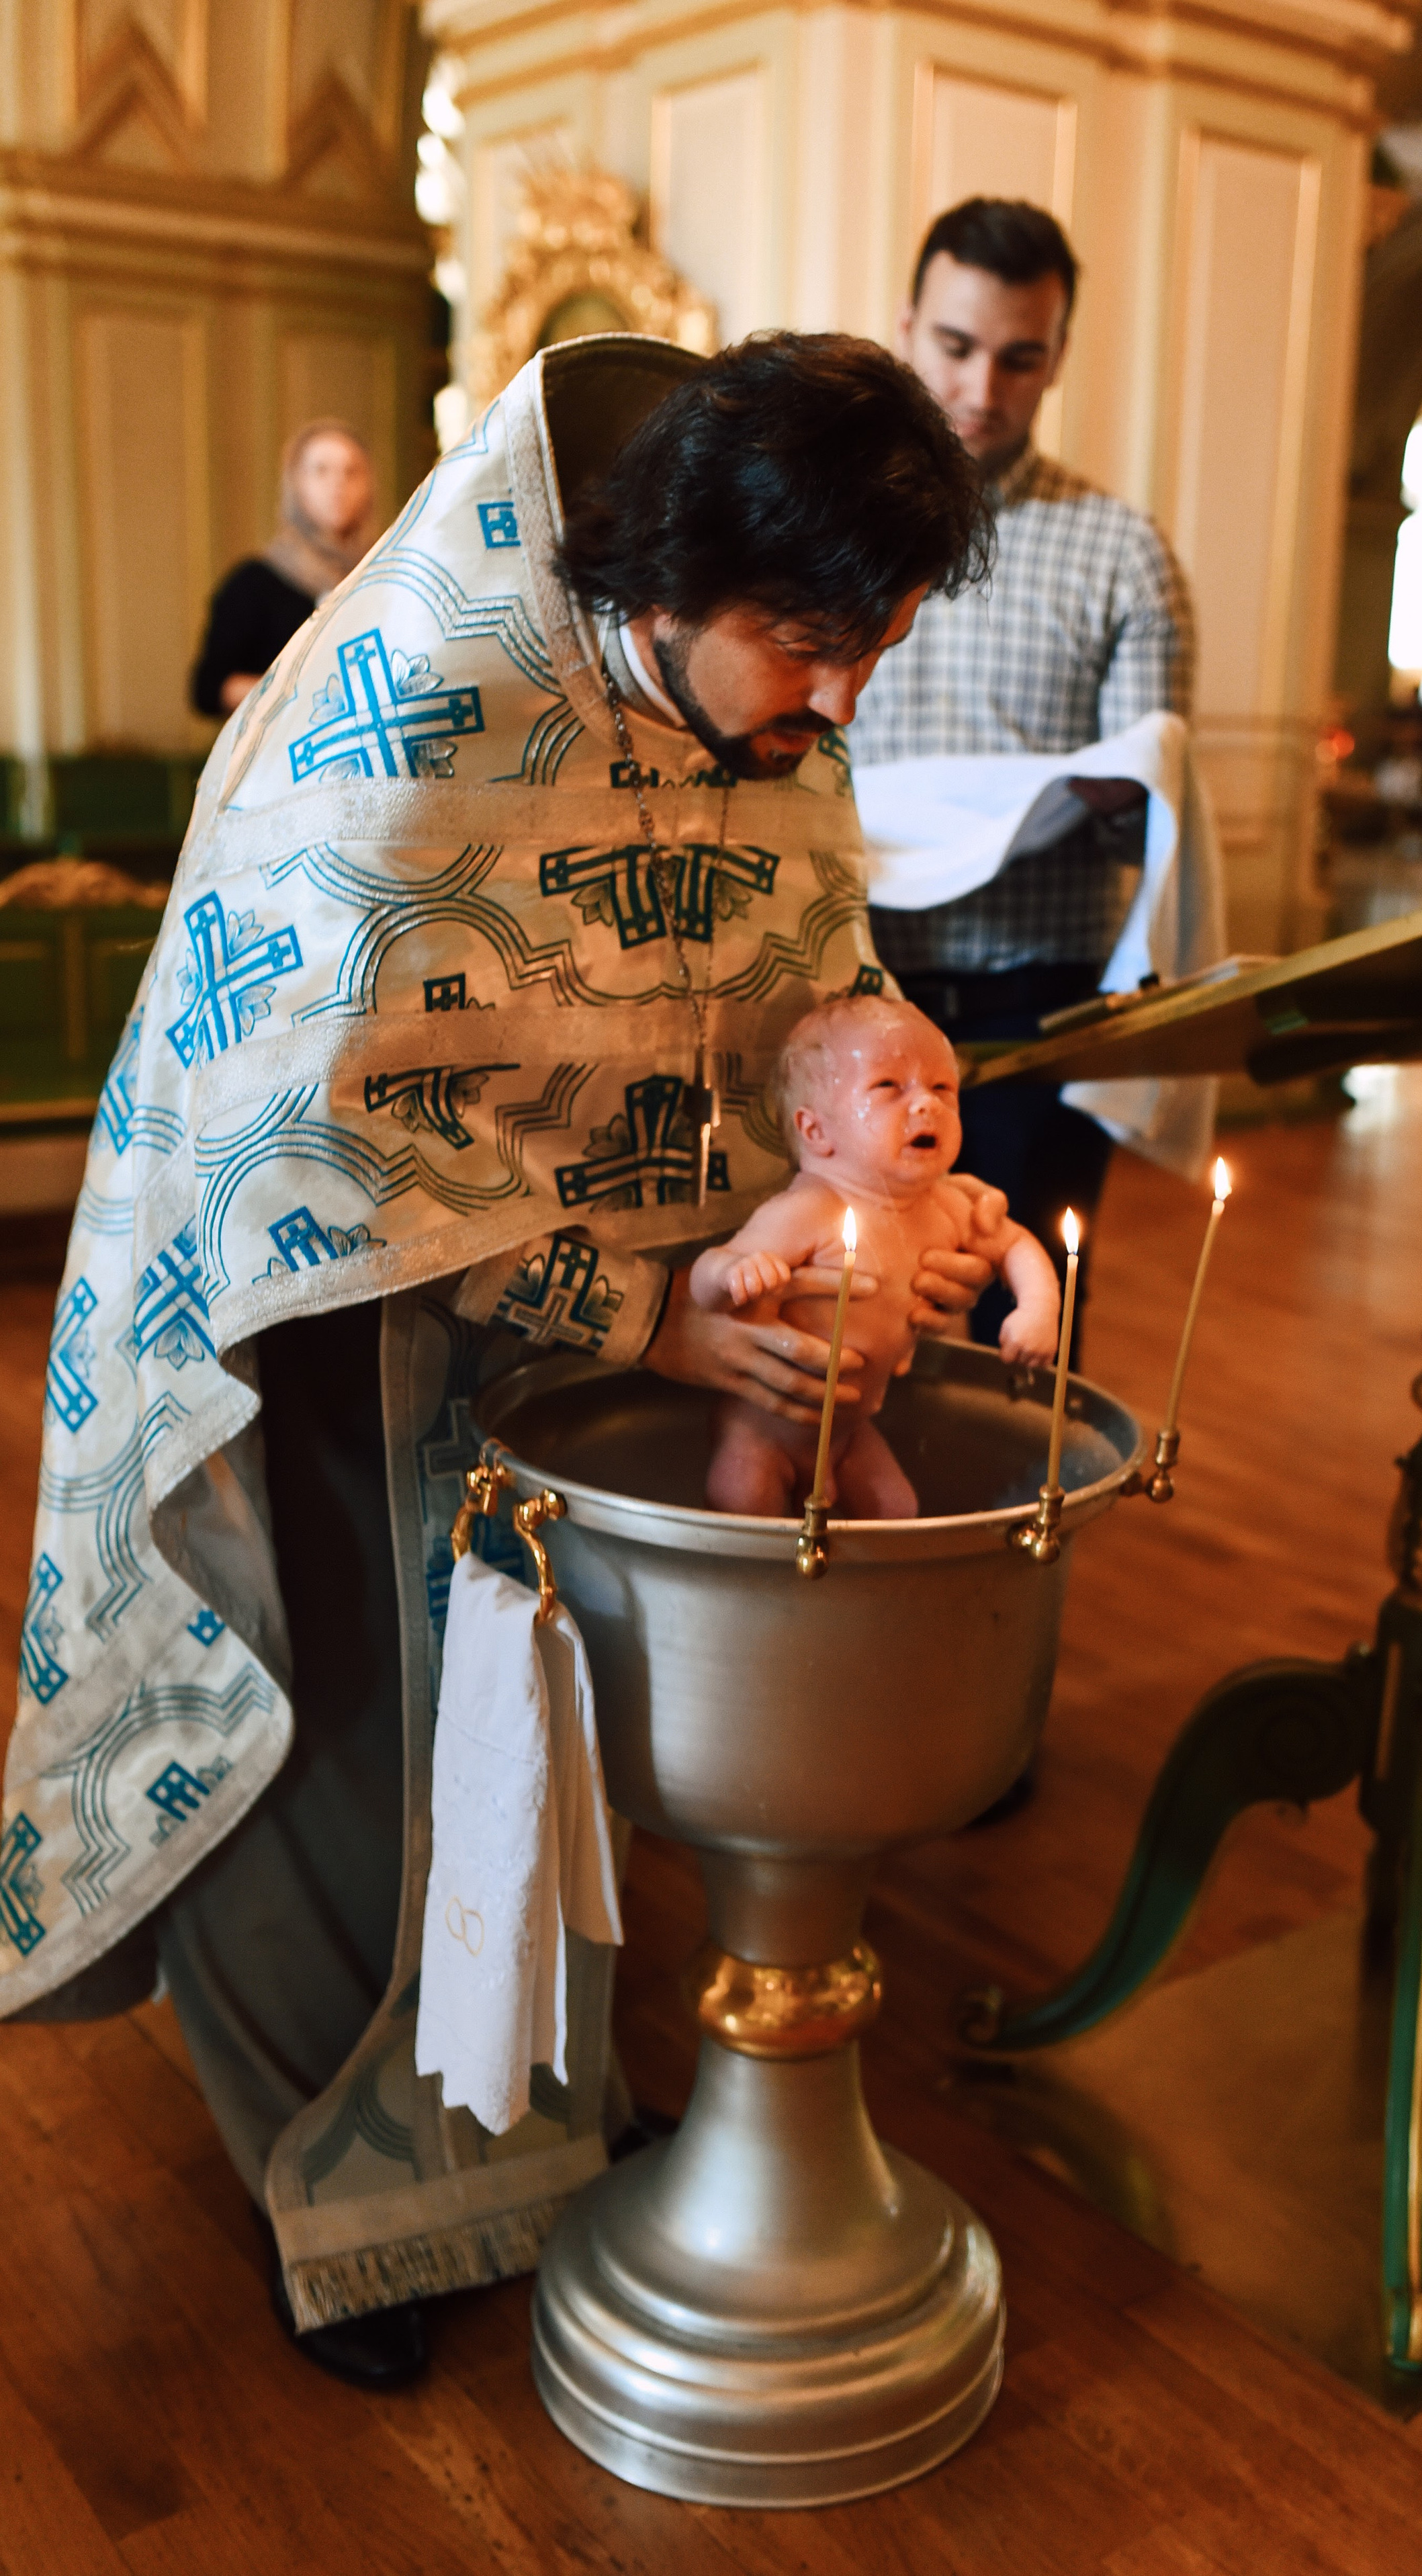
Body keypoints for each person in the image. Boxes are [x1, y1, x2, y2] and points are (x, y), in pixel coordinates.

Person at [3, 332, 991, 2389]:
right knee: (351, 1744)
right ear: (672, 580)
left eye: (869, 648)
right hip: (325, 1321)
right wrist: (655, 1316)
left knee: (541, 1725)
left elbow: (806, 975)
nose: (839, 704)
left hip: (595, 1329)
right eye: (813, 645)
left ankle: (512, 2131)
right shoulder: (416, 710)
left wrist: (877, 1193)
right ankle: (334, 2186)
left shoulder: (762, 714)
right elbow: (336, 1138)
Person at [848, 198, 1197, 1364]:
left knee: (1017, 1320)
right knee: (848, 1299)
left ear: (1057, 355)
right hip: (850, 984)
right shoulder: (829, 525)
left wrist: (1116, 806)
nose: (982, 387)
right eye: (953, 346)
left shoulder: (1121, 550)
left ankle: (1012, 1540)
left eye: (1020, 357)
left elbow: (1158, 823)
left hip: (1035, 1001)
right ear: (907, 326)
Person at [692, 995, 1060, 1516]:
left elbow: (1016, 1244)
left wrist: (1039, 1308)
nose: (926, 1104)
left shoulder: (948, 1205)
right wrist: (734, 1272)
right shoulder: (809, 1210)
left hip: (850, 1432)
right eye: (889, 1088)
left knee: (898, 1510)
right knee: (746, 1522)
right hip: (760, 1434)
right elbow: (705, 1280)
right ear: (816, 1130)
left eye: (942, 1089)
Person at [189, 420, 376, 718]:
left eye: (351, 472)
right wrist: (305, 695)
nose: (338, 484)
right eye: (321, 470)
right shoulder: (254, 583)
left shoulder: (382, 573)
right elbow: (209, 689)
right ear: (296, 483)